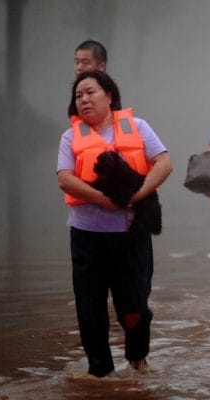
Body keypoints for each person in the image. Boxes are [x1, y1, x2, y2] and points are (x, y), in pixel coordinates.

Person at [56, 70, 173, 377]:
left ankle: (137, 359)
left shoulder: (138, 127)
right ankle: (101, 374)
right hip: (87, 238)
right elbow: (64, 178)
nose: (83, 100)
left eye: (90, 92)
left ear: (109, 95)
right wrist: (101, 199)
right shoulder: (70, 137)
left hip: (131, 237)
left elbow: (164, 163)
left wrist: (139, 194)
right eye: (78, 96)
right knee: (90, 310)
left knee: (134, 307)